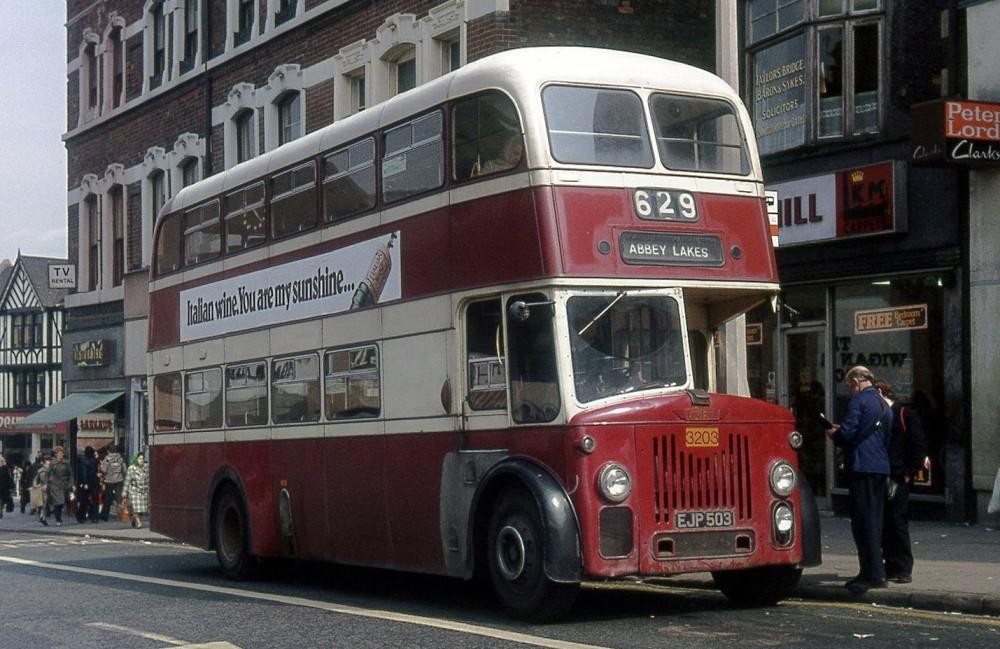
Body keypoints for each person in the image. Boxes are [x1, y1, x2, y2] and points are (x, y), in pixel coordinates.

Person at [824, 365, 892, 594]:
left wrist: (836, 434)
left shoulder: (858, 401)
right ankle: (875, 571)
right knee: (876, 520)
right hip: (880, 466)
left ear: (857, 381)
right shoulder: (884, 402)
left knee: (863, 523)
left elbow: (850, 432)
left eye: (849, 386)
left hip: (862, 466)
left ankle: (872, 574)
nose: (850, 390)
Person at [874, 379, 930, 584]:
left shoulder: (904, 413)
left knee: (897, 521)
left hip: (898, 474)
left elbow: (919, 444)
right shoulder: (878, 415)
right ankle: (889, 565)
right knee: (884, 522)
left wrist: (908, 472)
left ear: (880, 392)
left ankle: (903, 567)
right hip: (881, 473)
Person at [99, 444, 126, 522]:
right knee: (119, 499)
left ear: (109, 451)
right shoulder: (120, 458)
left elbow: (104, 470)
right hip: (119, 481)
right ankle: (120, 516)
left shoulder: (107, 458)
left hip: (109, 481)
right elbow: (124, 469)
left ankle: (105, 516)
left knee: (107, 499)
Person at [122, 452, 149, 528]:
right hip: (134, 491)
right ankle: (139, 523)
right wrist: (124, 495)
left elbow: (149, 479)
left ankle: (134, 519)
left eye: (143, 458)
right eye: (140, 458)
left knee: (140, 510)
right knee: (136, 508)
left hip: (143, 491)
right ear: (136, 459)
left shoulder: (146, 467)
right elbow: (127, 481)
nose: (142, 460)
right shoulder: (131, 468)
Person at [48, 446, 73, 526]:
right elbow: (48, 474)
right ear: (56, 454)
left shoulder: (66, 463)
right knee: (57, 502)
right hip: (55, 485)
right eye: (59, 453)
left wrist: (71, 484)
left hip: (64, 484)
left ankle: (58, 517)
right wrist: (48, 482)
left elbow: (70, 474)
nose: (61, 455)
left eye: (62, 453)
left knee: (62, 502)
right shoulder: (52, 463)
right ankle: (58, 519)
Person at [76, 446, 100, 523]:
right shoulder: (95, 460)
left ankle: (81, 516)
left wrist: (84, 483)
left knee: (84, 500)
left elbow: (83, 472)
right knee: (95, 500)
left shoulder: (83, 460)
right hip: (94, 481)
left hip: (87, 482)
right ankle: (94, 517)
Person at [33, 456, 51, 526]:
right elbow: (35, 479)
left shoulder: (51, 471)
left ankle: (42, 517)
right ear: (44, 464)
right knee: (43, 504)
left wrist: (48, 484)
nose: (48, 465)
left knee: (47, 505)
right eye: (47, 464)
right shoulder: (40, 471)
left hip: (50, 489)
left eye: (49, 464)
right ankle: (43, 518)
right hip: (42, 490)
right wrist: (35, 485)